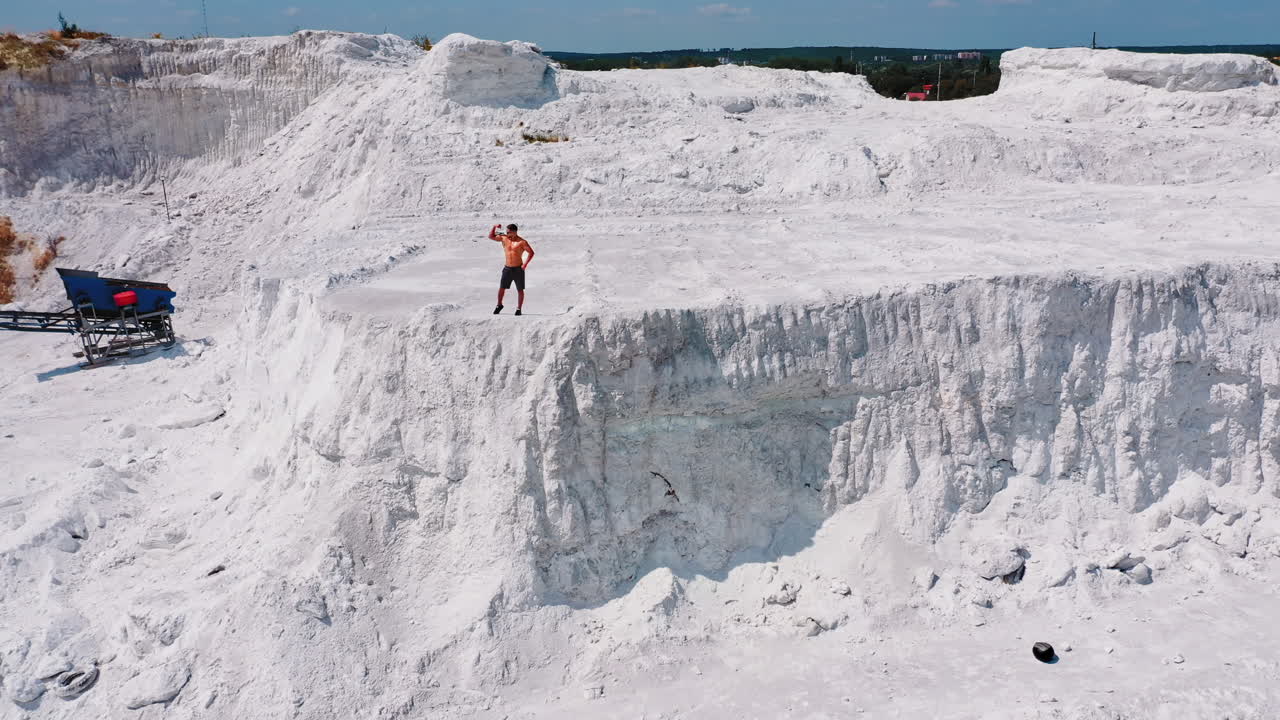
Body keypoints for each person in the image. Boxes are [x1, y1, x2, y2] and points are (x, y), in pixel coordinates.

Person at [489, 222, 534, 315]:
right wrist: (494, 227)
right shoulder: (504, 238)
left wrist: (525, 265)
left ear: (515, 232)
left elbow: (531, 253)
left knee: (520, 290)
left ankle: (519, 309)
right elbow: (491, 236)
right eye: (507, 232)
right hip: (507, 268)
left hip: (518, 269)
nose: (507, 233)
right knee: (501, 288)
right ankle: (499, 305)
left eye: (509, 232)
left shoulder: (522, 242)